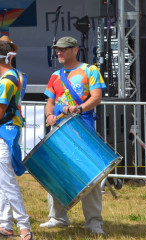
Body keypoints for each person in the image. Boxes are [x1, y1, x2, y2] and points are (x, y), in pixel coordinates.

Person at [40, 36, 106, 235]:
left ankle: (94, 222)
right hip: (59, 129)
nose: (58, 52)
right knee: (56, 171)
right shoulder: (55, 76)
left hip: (82, 127)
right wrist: (49, 115)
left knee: (90, 173)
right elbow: (50, 102)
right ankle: (57, 217)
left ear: (75, 50)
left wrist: (79, 109)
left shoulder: (90, 70)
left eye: (63, 49)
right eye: (57, 49)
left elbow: (96, 97)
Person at [0, 41, 32, 240]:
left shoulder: (7, 80)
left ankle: (24, 226)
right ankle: (5, 224)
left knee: (7, 181)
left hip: (5, 132)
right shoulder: (8, 76)